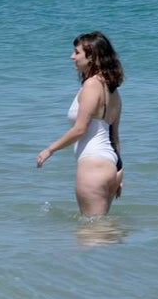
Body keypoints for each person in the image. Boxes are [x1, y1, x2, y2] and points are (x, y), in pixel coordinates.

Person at [36, 31, 124, 217]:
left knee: (90, 235)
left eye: (77, 53)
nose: (72, 57)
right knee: (101, 232)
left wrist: (50, 149)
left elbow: (80, 129)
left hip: (93, 168)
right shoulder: (114, 92)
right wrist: (118, 172)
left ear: (92, 57)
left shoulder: (92, 85)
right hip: (110, 166)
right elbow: (114, 138)